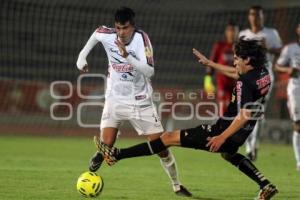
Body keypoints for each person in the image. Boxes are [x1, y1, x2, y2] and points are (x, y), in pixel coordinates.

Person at [95, 38, 278, 200]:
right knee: (228, 153)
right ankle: (265, 185)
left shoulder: (244, 83)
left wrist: (221, 137)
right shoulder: (263, 73)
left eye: (237, 58)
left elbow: (244, 114)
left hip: (224, 131)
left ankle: (117, 155)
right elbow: (236, 73)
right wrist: (210, 63)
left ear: (247, 60)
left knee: (167, 138)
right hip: (242, 134)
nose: (234, 61)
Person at [76, 7, 191, 196]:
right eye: (118, 28)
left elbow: (150, 71)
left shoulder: (141, 40)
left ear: (133, 26)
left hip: (140, 102)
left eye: (125, 28)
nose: (121, 32)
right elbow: (96, 34)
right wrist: (81, 57)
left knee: (161, 147)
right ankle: (102, 153)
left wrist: (127, 56)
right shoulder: (108, 35)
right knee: (106, 144)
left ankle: (177, 185)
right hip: (114, 99)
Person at [239, 5, 282, 161]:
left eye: (258, 15)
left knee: (256, 110)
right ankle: (251, 145)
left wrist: (267, 48)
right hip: (248, 74)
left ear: (262, 16)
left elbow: (279, 51)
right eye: (252, 14)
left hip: (265, 73)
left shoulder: (271, 33)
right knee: (246, 111)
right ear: (249, 17)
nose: (255, 17)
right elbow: (238, 55)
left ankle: (251, 148)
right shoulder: (244, 35)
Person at [275, 23, 300, 171]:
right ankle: (299, 161)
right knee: (298, 125)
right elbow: (277, 66)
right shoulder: (290, 49)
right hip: (296, 88)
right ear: (297, 30)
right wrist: (288, 70)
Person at [205, 22, 239, 116]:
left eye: (234, 31)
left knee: (235, 109)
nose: (232, 33)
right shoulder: (220, 46)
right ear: (226, 32)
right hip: (222, 83)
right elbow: (211, 62)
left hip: (236, 83)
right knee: (223, 109)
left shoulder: (240, 47)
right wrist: (207, 80)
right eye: (230, 30)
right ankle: (222, 128)